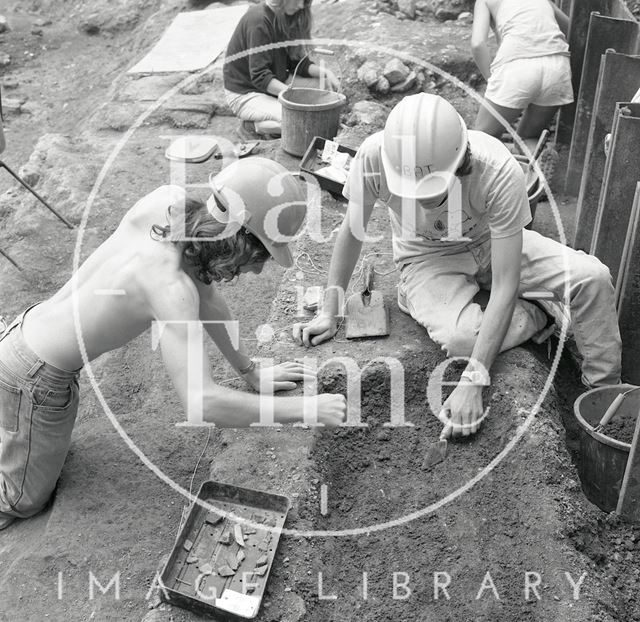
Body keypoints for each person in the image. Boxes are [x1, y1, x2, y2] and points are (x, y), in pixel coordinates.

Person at [0, 156, 346, 530]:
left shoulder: (167, 204)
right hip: (35, 381)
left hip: (24, 335)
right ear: (239, 240)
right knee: (21, 500)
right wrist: (306, 411)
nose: (259, 268)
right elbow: (202, 403)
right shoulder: (169, 288)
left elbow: (210, 300)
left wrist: (250, 371)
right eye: (260, 255)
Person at [294, 93, 621, 440]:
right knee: (462, 340)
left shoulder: (497, 170)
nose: (420, 199)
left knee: (593, 278)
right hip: (426, 255)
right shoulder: (376, 158)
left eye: (431, 188)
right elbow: (351, 232)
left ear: (460, 162)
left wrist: (473, 380)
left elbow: (506, 281)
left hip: (492, 241)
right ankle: (540, 314)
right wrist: (330, 310)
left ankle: (604, 400)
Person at [223, 0, 338, 139]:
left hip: (275, 81)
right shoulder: (259, 21)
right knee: (304, 122)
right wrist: (293, 97)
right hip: (245, 93)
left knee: (325, 87)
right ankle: (252, 127)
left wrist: (326, 73)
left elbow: (297, 63)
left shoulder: (287, 15)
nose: (301, 6)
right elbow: (260, 76)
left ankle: (276, 115)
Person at [471, 0, 573, 140]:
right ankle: (537, 156)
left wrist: (492, 80)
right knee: (527, 138)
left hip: (516, 67)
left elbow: (477, 44)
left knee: (483, 137)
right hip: (557, 67)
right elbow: (572, 30)